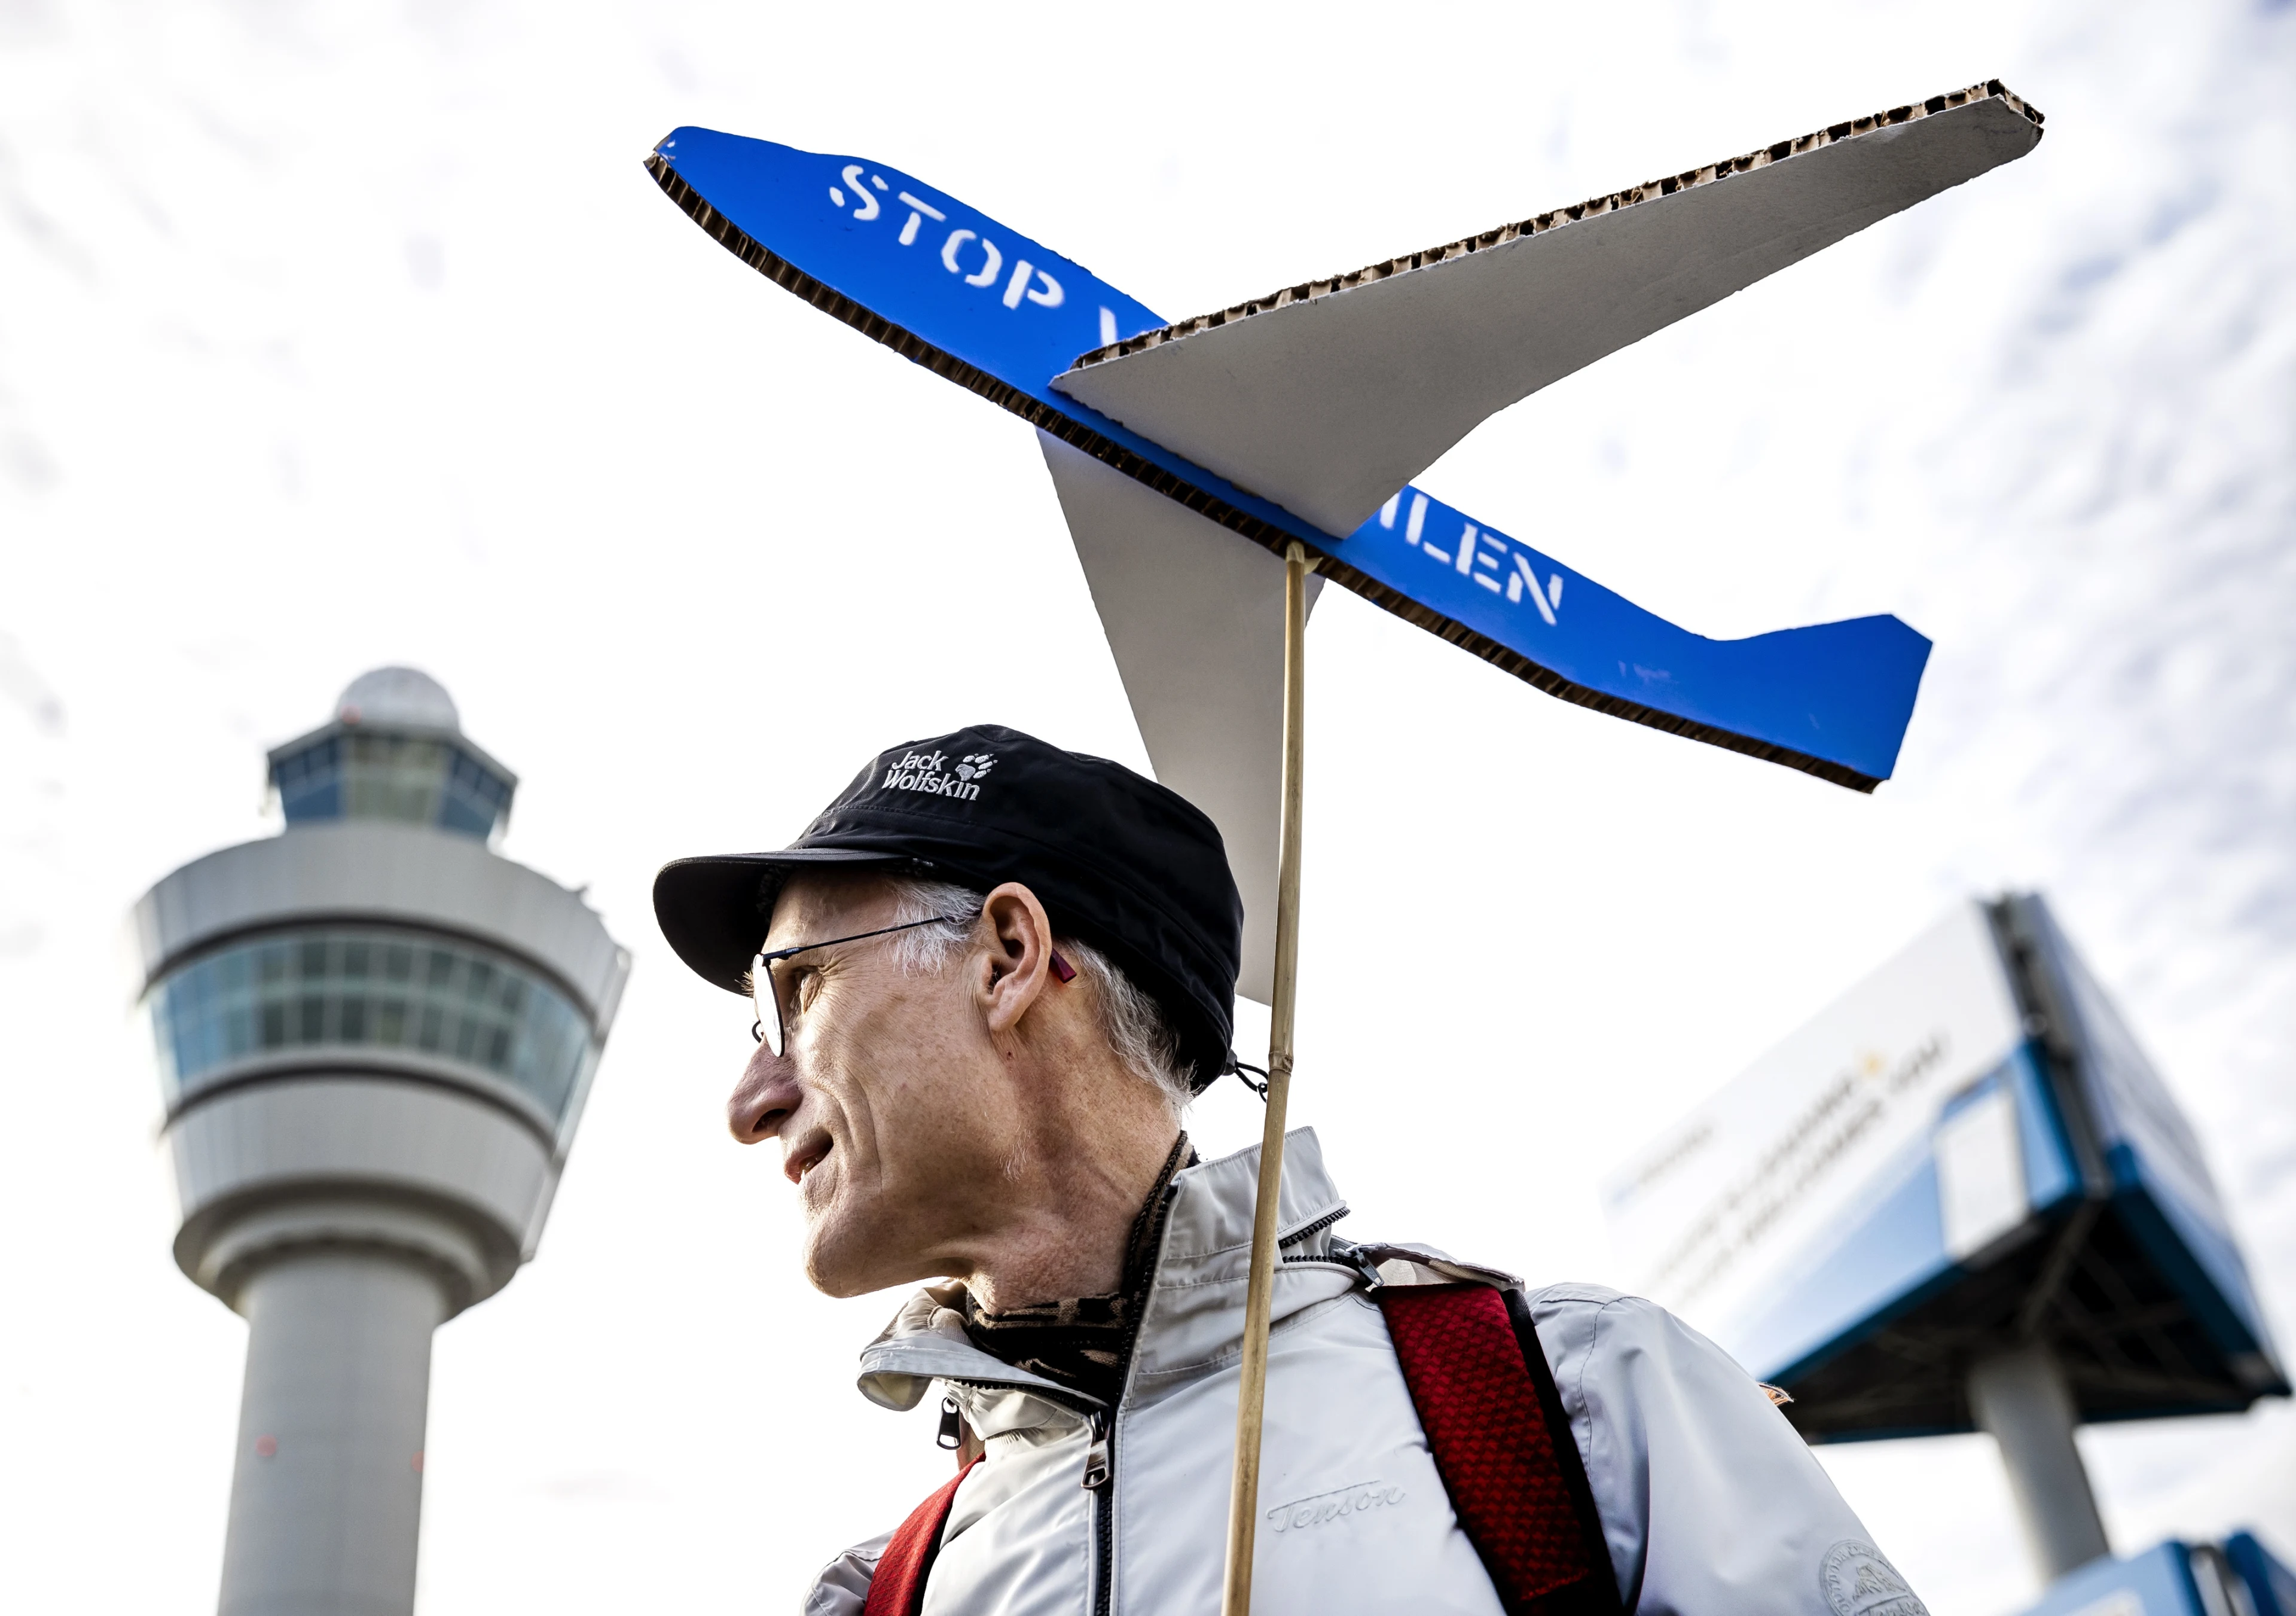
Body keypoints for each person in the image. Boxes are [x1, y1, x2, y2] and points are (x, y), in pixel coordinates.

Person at [654, 724, 1927, 1616]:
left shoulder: (1582, 1411)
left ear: (1006, 954)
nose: (750, 1103)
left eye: (796, 989)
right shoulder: (885, 1594)